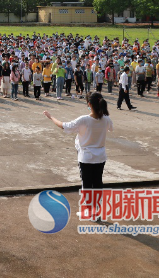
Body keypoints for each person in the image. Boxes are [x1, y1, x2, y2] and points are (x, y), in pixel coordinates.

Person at [43, 92, 113, 221]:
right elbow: (110, 128)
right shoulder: (106, 119)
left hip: (86, 157)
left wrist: (50, 117)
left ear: (89, 104)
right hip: (100, 157)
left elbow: (63, 126)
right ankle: (96, 211)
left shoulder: (84, 120)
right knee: (97, 183)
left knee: (87, 185)